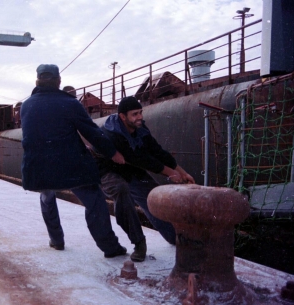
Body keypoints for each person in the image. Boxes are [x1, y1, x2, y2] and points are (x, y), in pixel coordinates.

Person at [21, 64, 127, 258]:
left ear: (37, 81)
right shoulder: (69, 103)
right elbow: (92, 133)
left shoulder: (27, 105)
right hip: (70, 166)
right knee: (94, 200)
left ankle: (57, 240)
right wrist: (113, 153)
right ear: (58, 81)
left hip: (39, 168)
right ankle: (110, 247)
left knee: (46, 196)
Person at [96, 96, 195, 262]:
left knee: (153, 197)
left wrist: (181, 171)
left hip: (130, 166)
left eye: (140, 112)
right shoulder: (113, 134)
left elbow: (155, 150)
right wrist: (171, 174)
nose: (140, 117)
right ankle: (139, 243)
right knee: (122, 192)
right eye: (135, 114)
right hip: (109, 169)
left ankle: (174, 237)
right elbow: (141, 159)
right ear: (123, 117)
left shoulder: (139, 127)